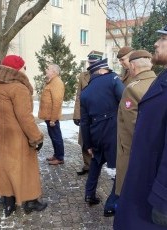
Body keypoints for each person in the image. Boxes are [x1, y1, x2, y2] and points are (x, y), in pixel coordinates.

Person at [113, 25, 167, 229]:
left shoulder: (135, 87)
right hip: (145, 176)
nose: (156, 43)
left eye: (163, 39)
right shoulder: (161, 78)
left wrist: (163, 199)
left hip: (154, 189)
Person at [0, 55, 47, 217]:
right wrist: (36, 137)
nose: (25, 69)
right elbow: (25, 117)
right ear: (17, 69)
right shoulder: (18, 87)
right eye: (23, 67)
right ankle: (30, 202)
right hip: (17, 137)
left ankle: (9, 203)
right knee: (25, 169)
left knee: (5, 169)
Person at [80, 58, 124, 217]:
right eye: (107, 69)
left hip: (95, 133)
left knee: (96, 164)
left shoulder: (85, 91)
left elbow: (84, 122)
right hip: (113, 131)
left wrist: (88, 144)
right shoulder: (112, 79)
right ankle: (111, 206)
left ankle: (89, 195)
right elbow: (126, 100)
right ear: (101, 70)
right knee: (115, 170)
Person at [115, 50, 156, 196]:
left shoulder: (132, 89)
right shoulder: (158, 83)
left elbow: (133, 126)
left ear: (132, 66)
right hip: (155, 152)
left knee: (129, 193)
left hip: (133, 152)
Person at [73, 52, 103, 175]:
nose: (91, 65)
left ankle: (96, 167)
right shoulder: (83, 75)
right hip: (85, 115)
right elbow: (79, 96)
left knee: (97, 142)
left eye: (94, 63)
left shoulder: (105, 75)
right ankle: (87, 166)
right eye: (90, 63)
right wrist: (76, 114)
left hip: (99, 115)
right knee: (85, 141)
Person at [38, 63, 65, 165]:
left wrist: (53, 119)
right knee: (54, 136)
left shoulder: (57, 82)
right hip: (49, 116)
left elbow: (57, 101)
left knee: (56, 136)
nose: (46, 70)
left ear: (54, 72)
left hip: (51, 116)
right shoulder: (52, 82)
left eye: (48, 69)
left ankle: (59, 157)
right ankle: (57, 154)